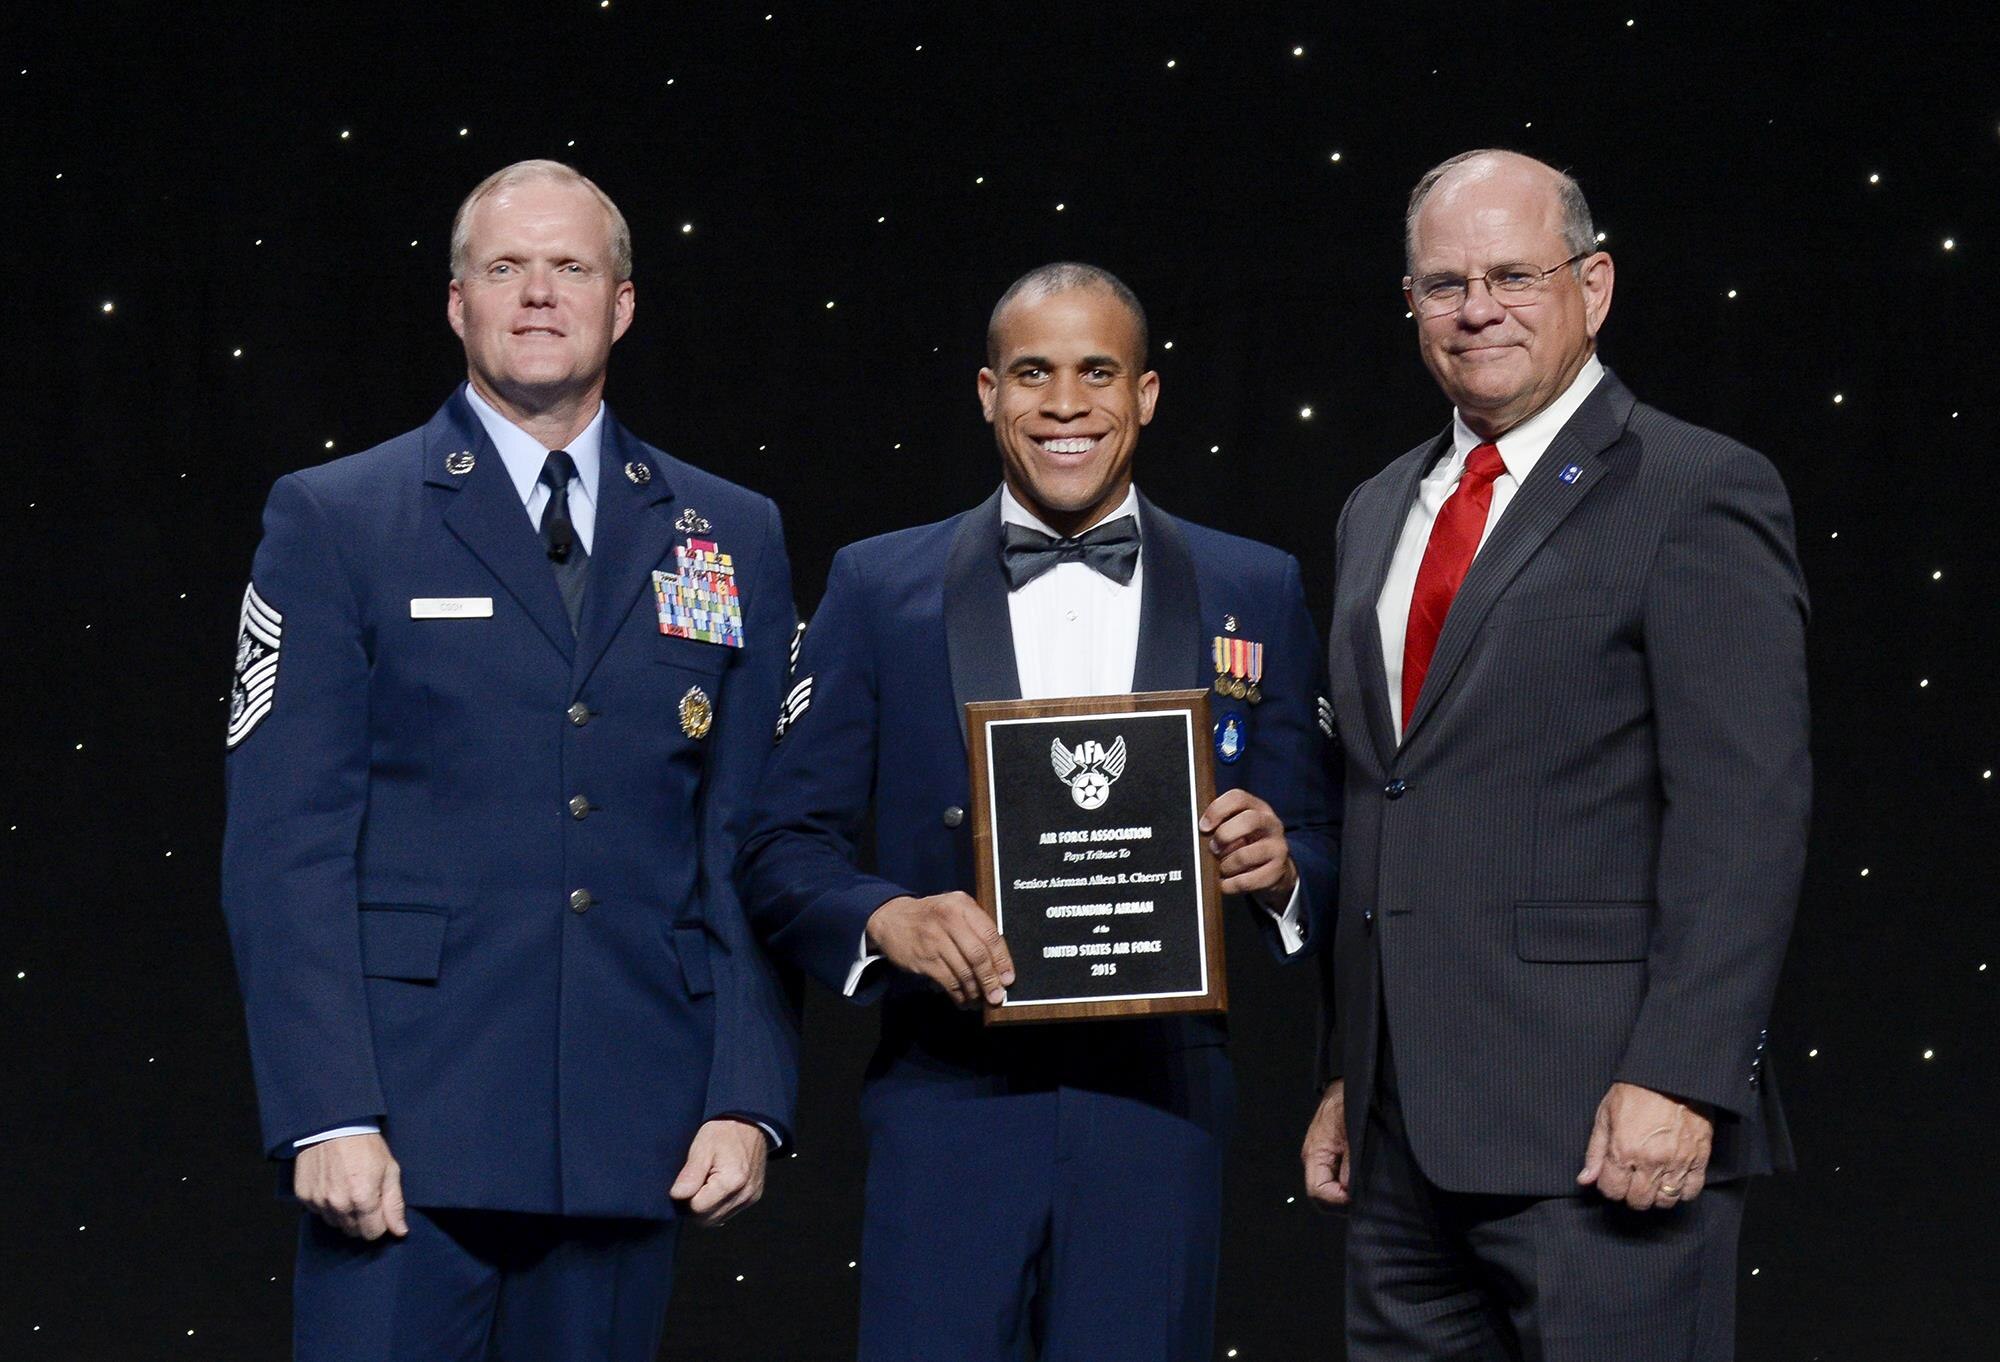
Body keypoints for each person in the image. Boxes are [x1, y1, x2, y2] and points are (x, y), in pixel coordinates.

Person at [220, 159, 798, 1362]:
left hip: (631, 1129)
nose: (538, 294)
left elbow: (743, 838)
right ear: (456, 303)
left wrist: (747, 1096)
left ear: (621, 304)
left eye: (570, 267)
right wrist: (326, 1108)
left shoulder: (729, 530)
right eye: (505, 268)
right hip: (400, 1139)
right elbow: (286, 847)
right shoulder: (337, 516)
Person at [737, 264, 1339, 1361]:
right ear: (985, 392)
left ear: (1145, 394)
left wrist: (1284, 867)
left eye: (1096, 371)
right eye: (1032, 373)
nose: (1065, 404)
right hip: (947, 1098)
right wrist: (886, 919)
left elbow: (1327, 833)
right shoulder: (878, 586)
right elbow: (783, 844)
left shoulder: (1256, 583)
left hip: (1161, 1102)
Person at [1300, 149, 1809, 1359]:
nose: (1476, 308)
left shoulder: (1694, 490)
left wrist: (1684, 1078)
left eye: (1512, 274)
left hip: (1602, 1129)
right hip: (1400, 1144)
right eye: (1442, 283)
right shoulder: (1376, 507)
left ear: (1594, 285)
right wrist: (1343, 1071)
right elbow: (1382, 800)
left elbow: (1744, 814)